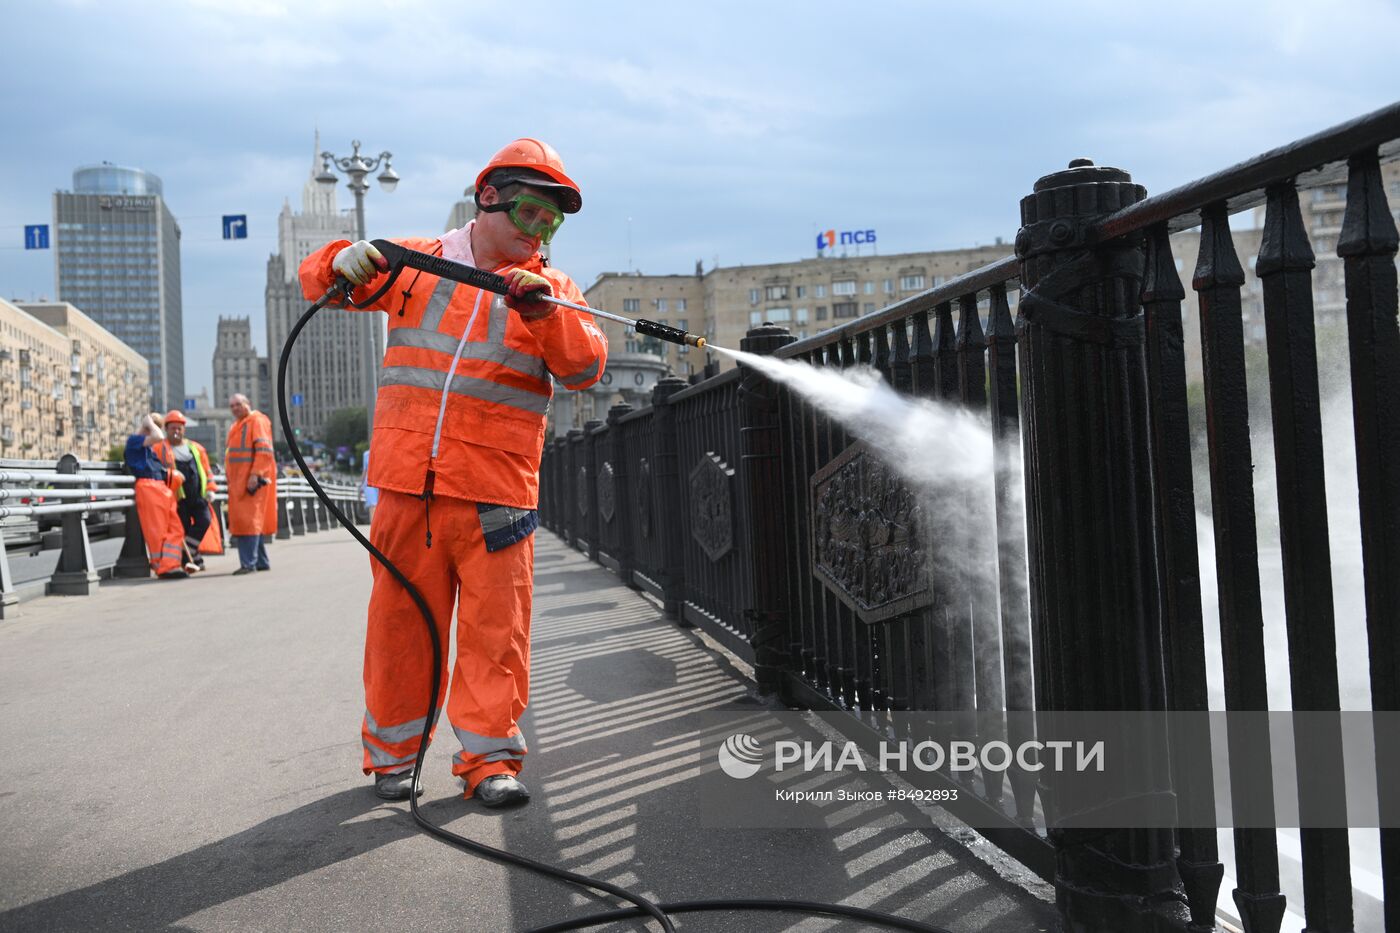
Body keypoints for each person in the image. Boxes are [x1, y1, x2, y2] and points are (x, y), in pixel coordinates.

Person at [298, 138, 606, 807]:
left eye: (551, 221)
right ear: (488, 198)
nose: (539, 231)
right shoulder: (416, 263)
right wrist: (337, 259)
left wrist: (544, 314)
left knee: (497, 636)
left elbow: (585, 367)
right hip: (408, 487)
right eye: (529, 213)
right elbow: (323, 284)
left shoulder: (554, 290)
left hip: (498, 494)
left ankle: (489, 762)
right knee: (400, 630)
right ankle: (394, 760)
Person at [124, 412, 192, 578]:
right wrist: (148, 422)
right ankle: (163, 567)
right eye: (155, 425)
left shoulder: (147, 447)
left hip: (160, 489)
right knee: (158, 531)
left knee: (176, 528)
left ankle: (171, 564)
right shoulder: (134, 441)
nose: (156, 429)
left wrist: (173, 475)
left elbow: (158, 469)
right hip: (148, 488)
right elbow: (159, 437)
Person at [156, 409, 223, 568]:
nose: (176, 431)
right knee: (182, 528)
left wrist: (210, 489)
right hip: (177, 499)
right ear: (166, 429)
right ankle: (191, 560)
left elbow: (206, 471)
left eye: (179, 428)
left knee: (204, 520)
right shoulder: (160, 449)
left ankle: (189, 552)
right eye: (173, 428)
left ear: (184, 429)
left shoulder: (196, 448)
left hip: (198, 496)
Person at [225, 393, 277, 575]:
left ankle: (248, 563)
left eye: (238, 404)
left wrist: (255, 475)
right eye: (232, 406)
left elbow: (264, 450)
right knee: (251, 521)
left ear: (248, 404)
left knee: (248, 521)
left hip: (251, 481)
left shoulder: (256, 421)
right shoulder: (239, 425)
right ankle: (261, 561)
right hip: (240, 481)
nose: (235, 408)